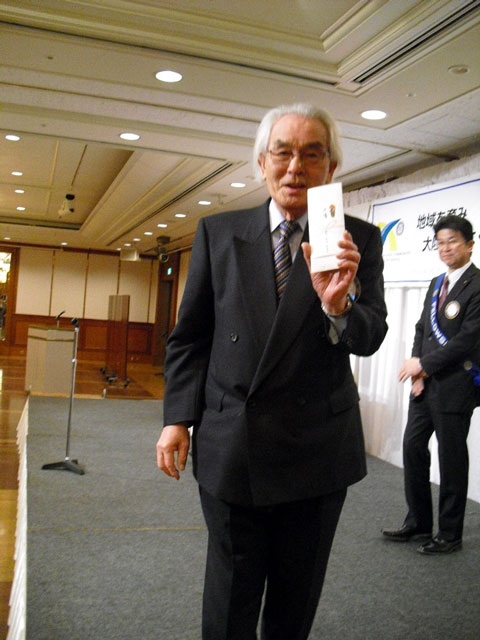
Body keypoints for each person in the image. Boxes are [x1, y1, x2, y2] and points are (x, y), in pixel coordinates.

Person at [156, 102, 388, 640]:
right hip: (232, 444)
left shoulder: (357, 240)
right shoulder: (219, 232)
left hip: (317, 451)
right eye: (282, 153)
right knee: (229, 601)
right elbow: (191, 337)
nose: (295, 167)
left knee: (293, 604)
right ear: (261, 162)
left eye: (312, 154)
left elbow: (371, 336)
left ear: (331, 167)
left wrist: (338, 307)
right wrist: (177, 419)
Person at [383, 214, 480, 555]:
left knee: (451, 459)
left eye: (452, 241)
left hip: (456, 386)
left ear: (469, 244)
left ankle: (449, 534)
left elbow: (468, 340)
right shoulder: (437, 283)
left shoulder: (477, 285)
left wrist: (424, 365)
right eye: (440, 243)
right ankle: (419, 522)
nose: (445, 248)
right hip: (425, 386)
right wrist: (417, 372)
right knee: (412, 448)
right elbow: (422, 329)